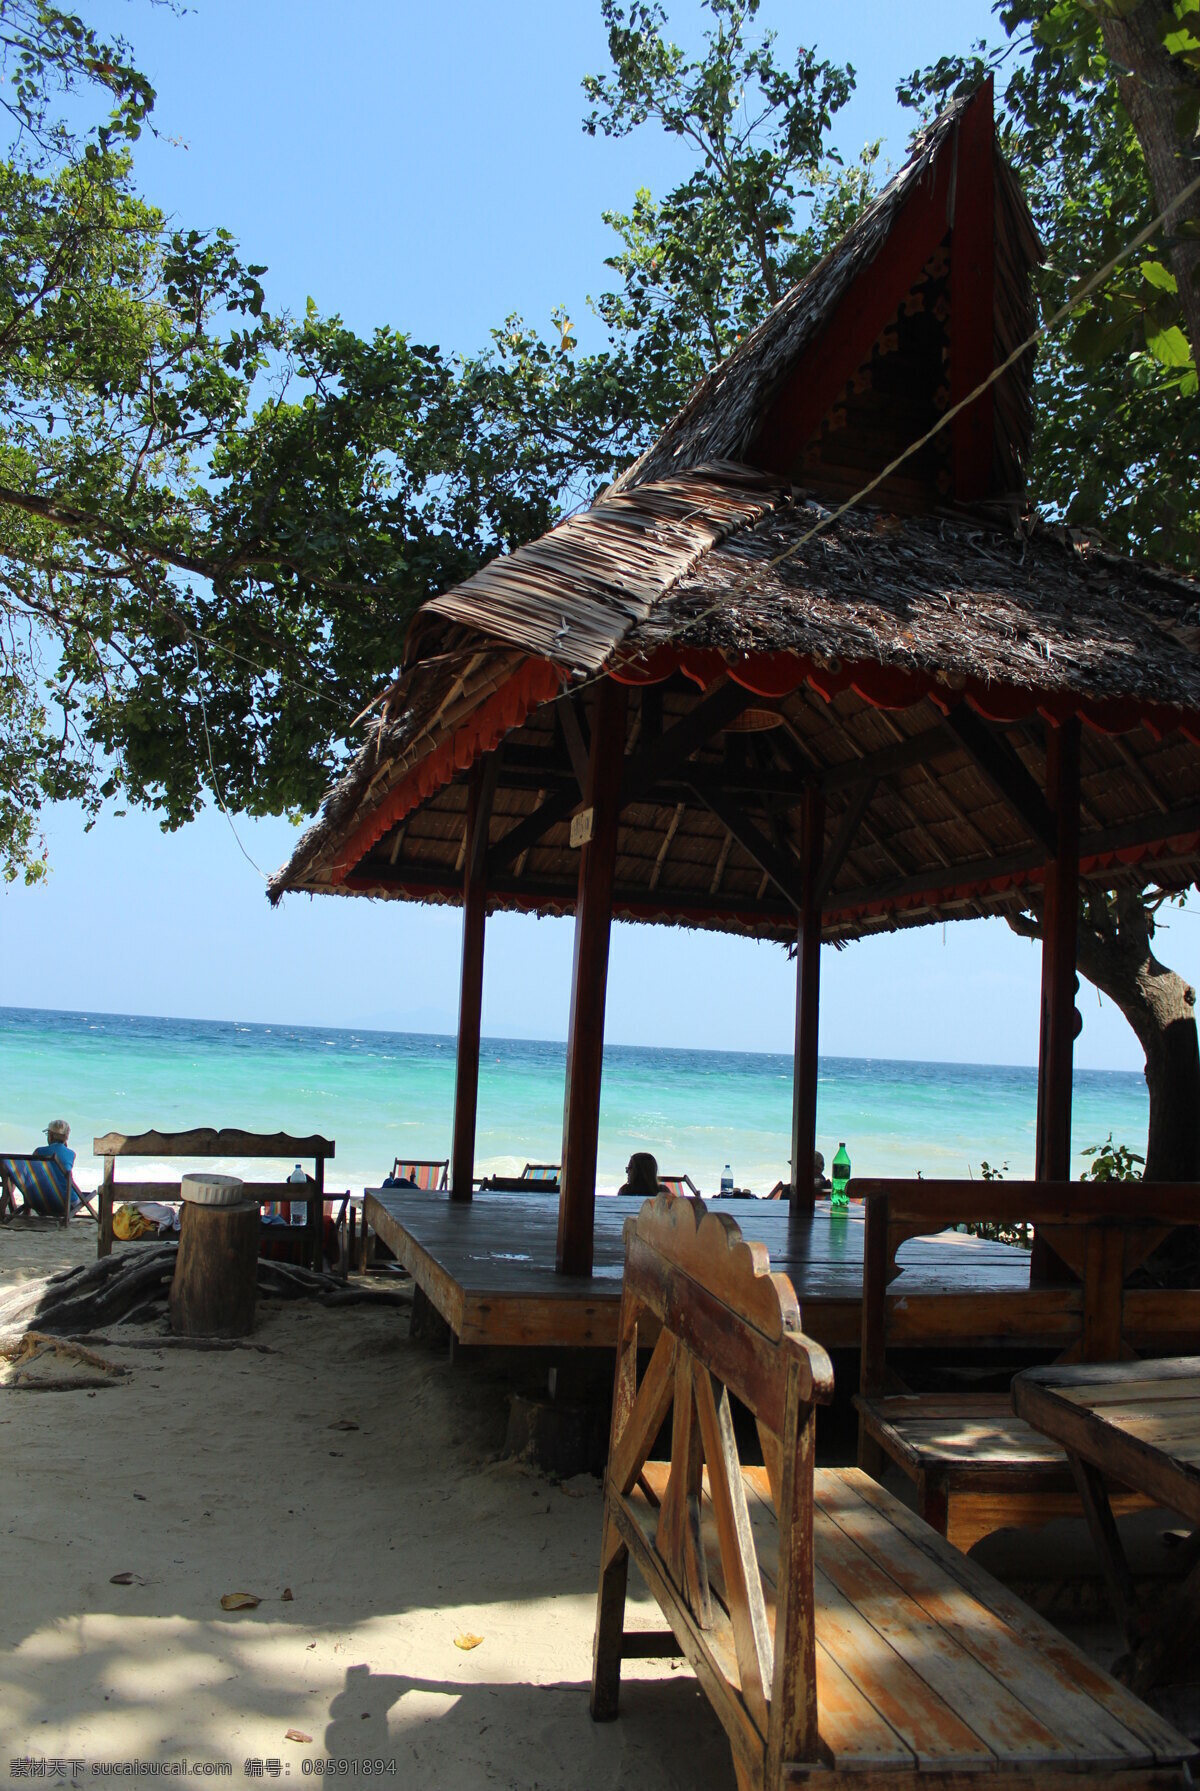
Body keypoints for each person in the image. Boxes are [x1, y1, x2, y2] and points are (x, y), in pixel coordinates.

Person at [0, 1119, 84, 1221]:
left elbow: (29, 1178)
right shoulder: (71, 1153)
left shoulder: (39, 1151)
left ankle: (26, 1212)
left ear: (51, 1136)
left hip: (39, 1202)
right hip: (67, 1204)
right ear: (66, 1136)